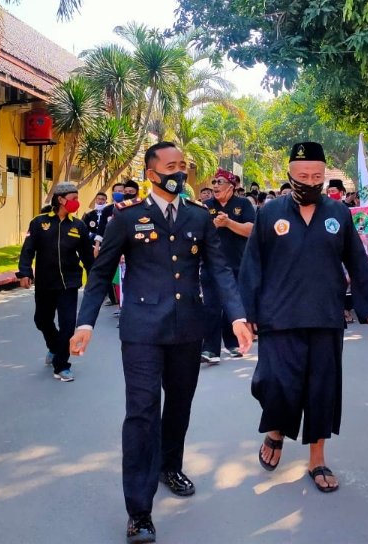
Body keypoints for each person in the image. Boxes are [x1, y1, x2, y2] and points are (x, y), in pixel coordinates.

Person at [69, 142, 252, 544]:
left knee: (179, 405)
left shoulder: (198, 217)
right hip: (142, 332)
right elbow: (100, 274)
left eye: (182, 165)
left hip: (188, 328)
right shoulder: (127, 218)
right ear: (151, 174)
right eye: (171, 166)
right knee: (142, 412)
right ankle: (139, 510)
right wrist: (85, 323)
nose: (179, 172)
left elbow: (219, 270)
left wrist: (238, 316)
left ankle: (171, 465)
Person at [239, 141, 368, 494]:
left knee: (321, 390)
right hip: (278, 315)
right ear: (289, 174)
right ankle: (276, 429)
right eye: (302, 175)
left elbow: (358, 263)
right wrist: (246, 313)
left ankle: (317, 457)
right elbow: (252, 264)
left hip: (324, 315)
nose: (309, 181)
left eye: (317, 176)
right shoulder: (270, 213)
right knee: (274, 382)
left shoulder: (338, 213)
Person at [16, 182, 93, 382]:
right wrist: (24, 272)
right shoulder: (39, 222)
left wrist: (95, 278)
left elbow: (86, 256)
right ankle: (54, 346)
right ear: (60, 199)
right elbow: (28, 250)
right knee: (41, 320)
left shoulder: (79, 226)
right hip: (45, 282)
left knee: (68, 325)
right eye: (73, 198)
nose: (77, 202)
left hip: (69, 283)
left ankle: (62, 365)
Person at [201, 168, 255, 364]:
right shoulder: (206, 206)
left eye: (220, 182)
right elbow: (197, 233)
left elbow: (251, 230)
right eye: (214, 182)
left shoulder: (243, 204)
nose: (215, 186)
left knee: (233, 306)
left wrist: (229, 223)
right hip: (211, 265)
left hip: (237, 263)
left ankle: (233, 344)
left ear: (231, 187)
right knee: (211, 307)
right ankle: (210, 349)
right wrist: (213, 226)